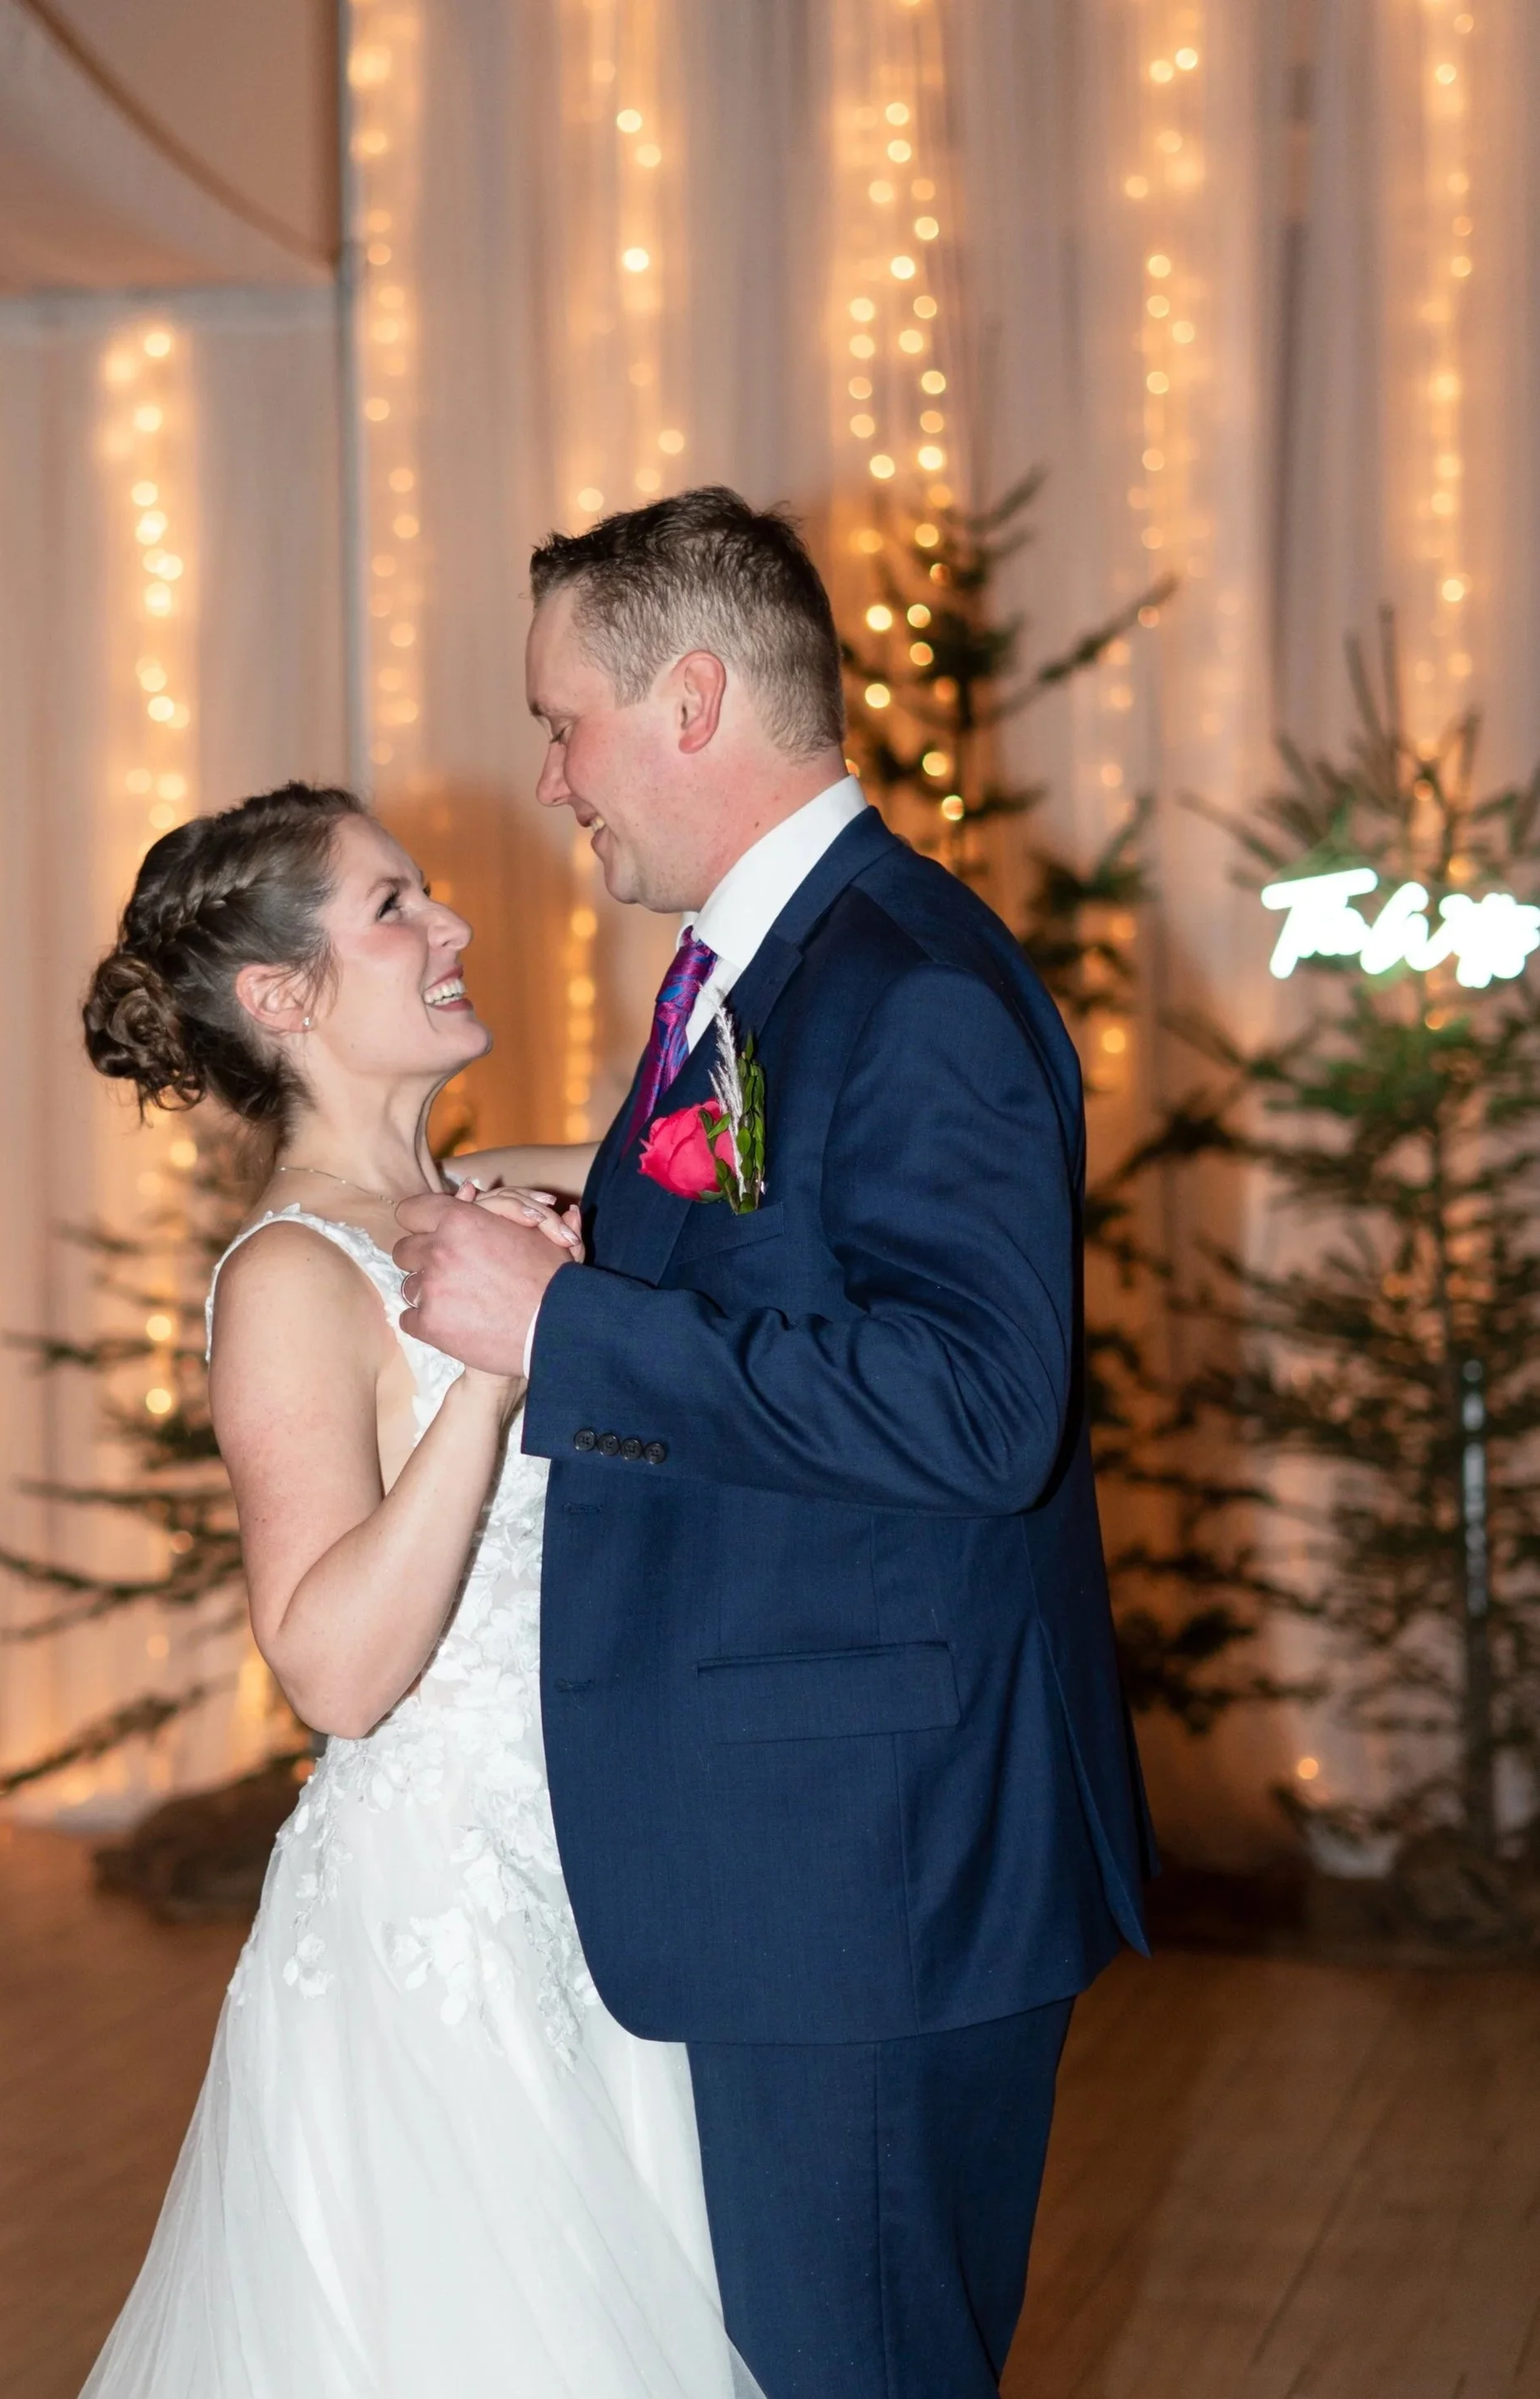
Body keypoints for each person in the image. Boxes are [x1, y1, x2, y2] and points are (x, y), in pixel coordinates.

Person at [393, 486, 1156, 2398]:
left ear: (690, 700)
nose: (552, 778)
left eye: (561, 721)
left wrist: (559, 1324)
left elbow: (978, 1405)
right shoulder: (770, 963)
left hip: (867, 1868)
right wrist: (589, 1243)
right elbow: (786, 1271)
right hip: (809, 1850)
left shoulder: (906, 984)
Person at [73, 780, 763, 2397]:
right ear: (281, 996)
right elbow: (333, 1671)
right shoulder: (288, 1275)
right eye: (393, 906)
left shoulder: (503, 1189)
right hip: (445, 1922)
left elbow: (748, 1174)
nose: (449, 924)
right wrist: (493, 1372)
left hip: (620, 1872)